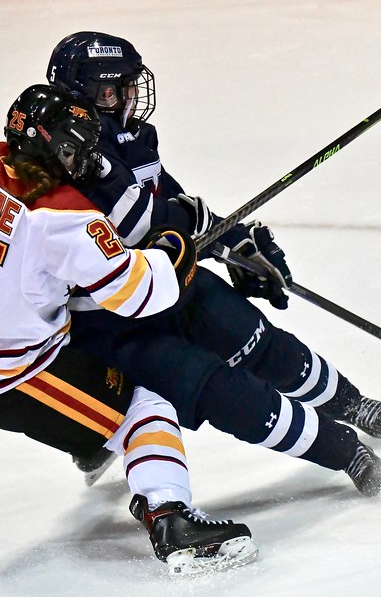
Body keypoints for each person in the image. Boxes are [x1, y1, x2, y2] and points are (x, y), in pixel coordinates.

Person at [44, 32, 381, 496]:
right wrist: (199, 227)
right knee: (224, 392)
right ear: (103, 93)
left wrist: (235, 241)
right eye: (126, 86)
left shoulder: (128, 137)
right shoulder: (63, 160)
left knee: (258, 341)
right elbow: (138, 223)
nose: (136, 95)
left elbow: (168, 199)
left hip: (172, 285)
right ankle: (342, 450)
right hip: (116, 324)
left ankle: (350, 404)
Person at [0, 84, 257, 574]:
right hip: (15, 370)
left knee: (87, 395)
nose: (83, 163)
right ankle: (170, 517)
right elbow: (138, 293)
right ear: (56, 146)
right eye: (76, 149)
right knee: (144, 408)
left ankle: (88, 443)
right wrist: (171, 251)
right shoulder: (62, 212)